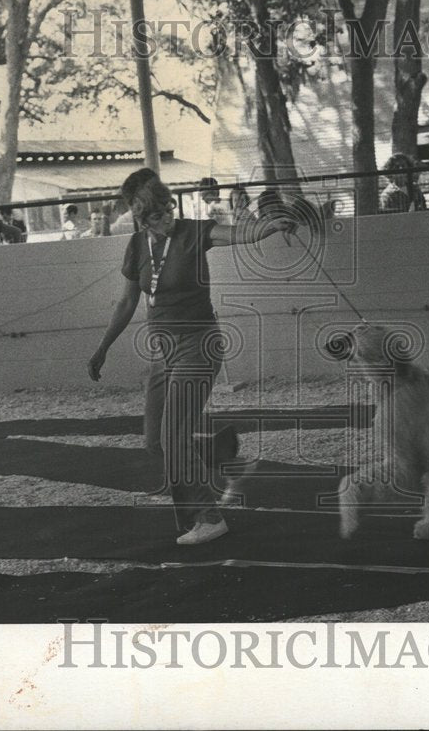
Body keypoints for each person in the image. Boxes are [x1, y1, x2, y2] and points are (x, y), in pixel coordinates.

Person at [87, 169, 297, 545]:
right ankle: (213, 450)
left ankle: (210, 518)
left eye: (168, 209)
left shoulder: (193, 232)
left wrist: (266, 228)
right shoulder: (136, 246)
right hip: (162, 353)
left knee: (173, 439)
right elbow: (126, 301)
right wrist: (103, 346)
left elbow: (236, 235)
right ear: (141, 218)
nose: (167, 218)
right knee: (156, 441)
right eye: (157, 215)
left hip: (199, 346)